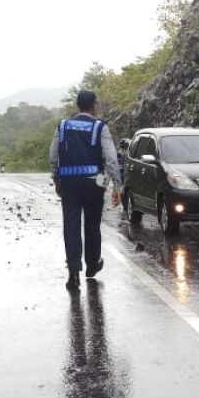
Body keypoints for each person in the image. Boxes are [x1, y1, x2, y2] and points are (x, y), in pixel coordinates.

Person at [49, 91, 123, 291]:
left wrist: (57, 178)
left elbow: (53, 156)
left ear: (77, 105)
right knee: (92, 225)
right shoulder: (100, 127)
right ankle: (92, 265)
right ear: (94, 105)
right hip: (94, 185)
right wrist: (117, 186)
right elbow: (110, 159)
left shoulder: (63, 126)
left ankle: (73, 273)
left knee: (71, 226)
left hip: (69, 185)